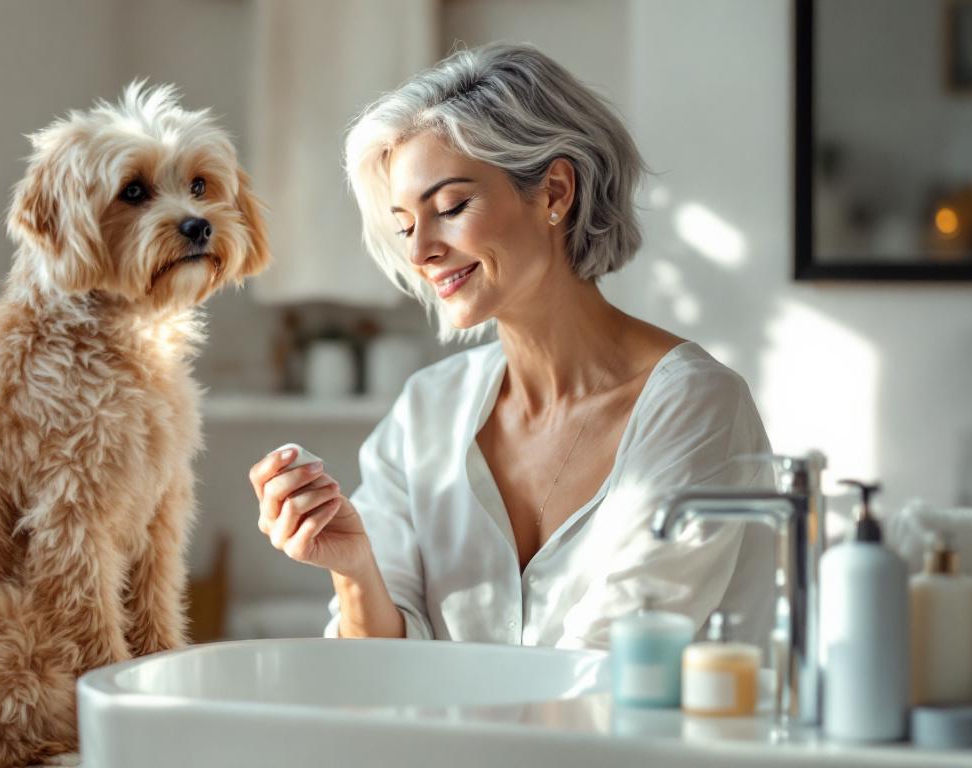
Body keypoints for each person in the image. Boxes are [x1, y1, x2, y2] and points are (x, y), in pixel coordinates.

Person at [247, 43, 774, 649]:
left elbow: (609, 668)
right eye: (404, 225)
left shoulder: (695, 406)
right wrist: (353, 568)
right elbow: (379, 676)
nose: (420, 253)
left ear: (554, 192)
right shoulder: (426, 412)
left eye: (450, 207)